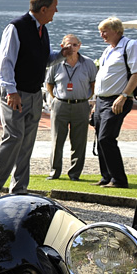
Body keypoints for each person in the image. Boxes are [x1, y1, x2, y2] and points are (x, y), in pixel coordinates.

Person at [0, 0, 67, 198]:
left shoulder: (42, 30)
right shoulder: (16, 27)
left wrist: (61, 55)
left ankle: (19, 189)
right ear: (43, 8)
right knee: (14, 136)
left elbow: (42, 60)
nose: (57, 11)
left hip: (34, 93)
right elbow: (6, 62)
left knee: (27, 142)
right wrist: (11, 91)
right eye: (54, 7)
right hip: (16, 92)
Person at [92, 16, 137, 188]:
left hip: (117, 99)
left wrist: (123, 96)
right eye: (100, 31)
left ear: (117, 31)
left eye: (105, 31)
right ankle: (106, 176)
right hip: (101, 100)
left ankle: (119, 180)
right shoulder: (109, 50)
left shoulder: (130, 46)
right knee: (100, 139)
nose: (102, 35)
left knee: (106, 138)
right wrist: (95, 103)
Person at [45, 34, 97, 181]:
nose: (72, 48)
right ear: (62, 47)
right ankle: (54, 172)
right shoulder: (55, 64)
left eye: (75, 45)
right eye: (68, 45)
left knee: (79, 142)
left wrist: (86, 98)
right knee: (57, 140)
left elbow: (93, 84)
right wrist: (55, 98)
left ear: (79, 46)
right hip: (60, 104)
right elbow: (49, 83)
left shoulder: (88, 63)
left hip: (81, 105)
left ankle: (75, 174)